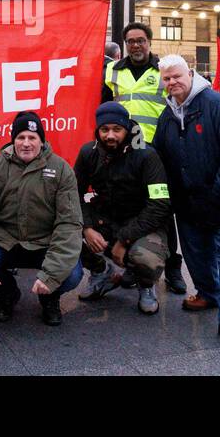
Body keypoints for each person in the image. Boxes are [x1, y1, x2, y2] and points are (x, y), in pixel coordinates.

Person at [152, 54, 220, 355]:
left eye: (177, 76)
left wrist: (215, 195)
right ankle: (208, 294)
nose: (172, 82)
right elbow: (159, 157)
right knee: (197, 257)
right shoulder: (168, 116)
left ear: (191, 73)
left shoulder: (219, 106)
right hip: (191, 208)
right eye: (167, 78)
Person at [0, 111, 84, 326]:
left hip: (44, 244)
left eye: (32, 138)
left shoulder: (61, 169)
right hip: (4, 243)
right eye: (20, 137)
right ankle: (8, 294)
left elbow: (69, 223)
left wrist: (51, 275)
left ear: (42, 141)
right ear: (13, 140)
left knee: (72, 274)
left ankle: (49, 298)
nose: (26, 143)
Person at [101, 22, 187, 296]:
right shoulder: (112, 70)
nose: (136, 45)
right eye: (130, 41)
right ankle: (132, 265)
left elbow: (178, 105)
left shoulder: (162, 70)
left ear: (149, 41)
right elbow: (103, 104)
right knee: (130, 206)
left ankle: (172, 266)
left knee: (164, 208)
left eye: (140, 40)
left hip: (158, 151)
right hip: (123, 152)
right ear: (125, 44)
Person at [74, 102, 171, 315]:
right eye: (104, 129)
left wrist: (124, 240)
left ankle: (146, 284)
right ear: (97, 130)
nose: (110, 135)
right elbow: (73, 195)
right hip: (105, 221)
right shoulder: (88, 153)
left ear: (126, 129)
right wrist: (87, 228)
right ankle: (102, 273)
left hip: (144, 226)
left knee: (145, 257)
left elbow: (160, 204)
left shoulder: (147, 155)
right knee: (63, 233)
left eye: (117, 129)